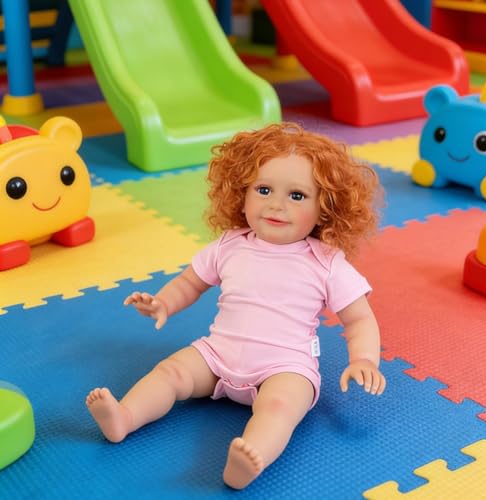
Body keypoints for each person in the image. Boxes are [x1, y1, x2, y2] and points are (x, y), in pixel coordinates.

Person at [86, 122, 386, 489]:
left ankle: (250, 459)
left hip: (285, 367)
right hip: (217, 355)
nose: (276, 204)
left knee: (281, 407)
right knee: (170, 372)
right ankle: (125, 417)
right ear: (241, 193)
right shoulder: (229, 245)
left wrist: (364, 360)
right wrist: (163, 303)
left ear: (325, 209)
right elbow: (190, 283)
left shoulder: (326, 262)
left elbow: (359, 320)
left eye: (296, 195)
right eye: (263, 189)